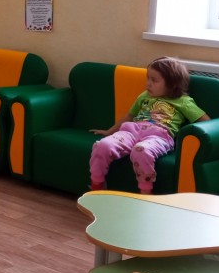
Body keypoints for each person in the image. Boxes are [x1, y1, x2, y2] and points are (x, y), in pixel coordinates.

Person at [89, 56, 209, 194]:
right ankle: (97, 185)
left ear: (172, 83)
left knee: (141, 150)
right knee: (102, 145)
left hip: (159, 136)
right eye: (148, 78)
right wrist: (108, 132)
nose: (148, 84)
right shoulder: (144, 96)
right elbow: (129, 116)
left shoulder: (183, 101)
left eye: (154, 80)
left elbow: (206, 121)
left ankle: (146, 192)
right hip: (131, 131)